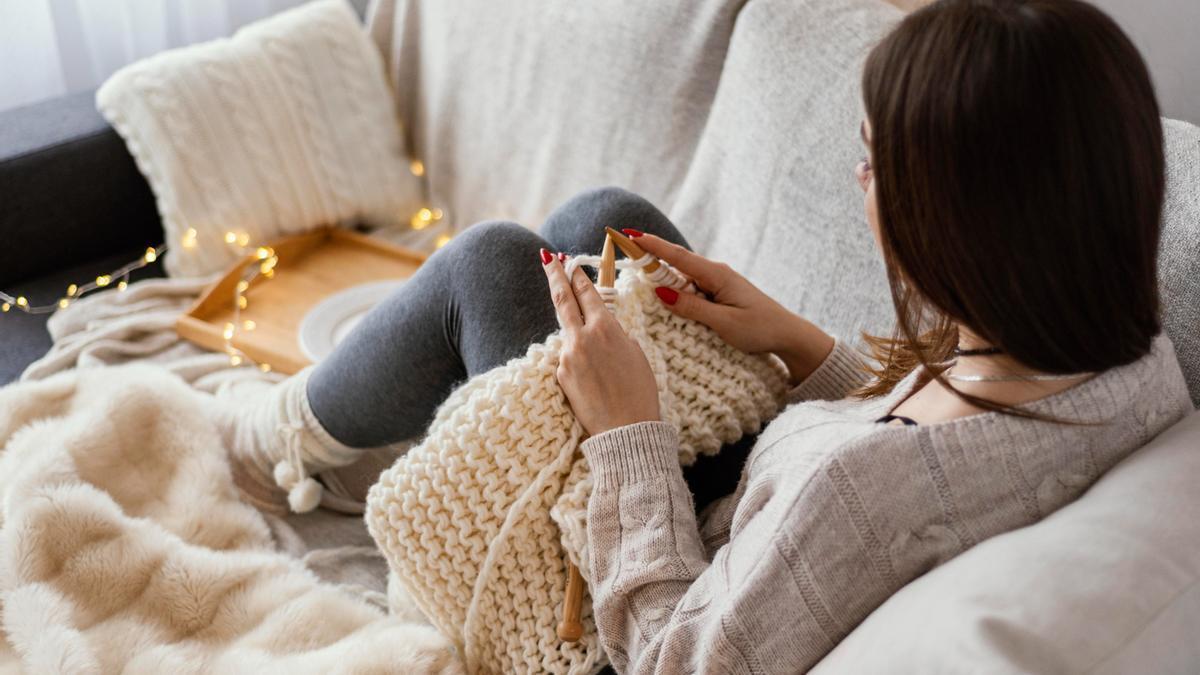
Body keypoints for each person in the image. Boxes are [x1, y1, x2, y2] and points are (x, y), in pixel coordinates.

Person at [219, 0, 1194, 671]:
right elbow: (922, 439)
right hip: (747, 515)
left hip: (625, 613)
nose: (862, 185)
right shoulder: (1111, 345)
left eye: (872, 162)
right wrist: (801, 348)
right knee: (611, 217)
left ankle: (275, 448)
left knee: (491, 265)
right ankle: (362, 418)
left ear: (949, 221)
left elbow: (674, 655)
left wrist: (626, 430)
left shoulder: (865, 499)